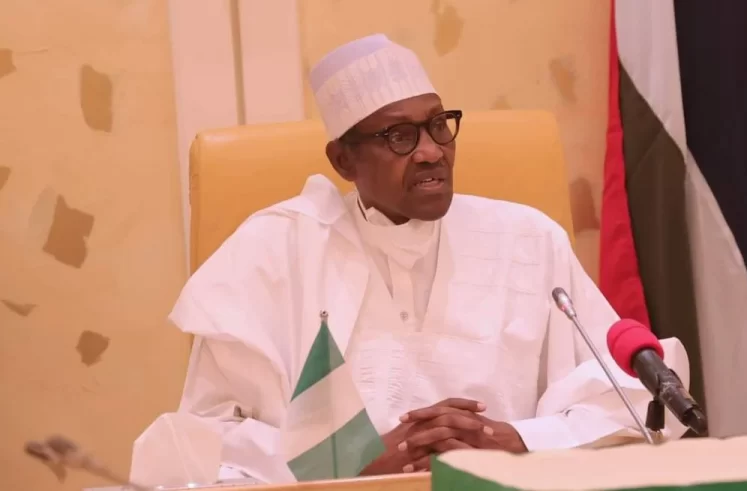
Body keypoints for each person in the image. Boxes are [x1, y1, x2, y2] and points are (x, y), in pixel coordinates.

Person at [169, 34, 690, 483]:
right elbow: (204, 437)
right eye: (400, 136)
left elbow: (625, 397)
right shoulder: (274, 253)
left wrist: (516, 440)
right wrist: (347, 462)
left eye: (439, 125)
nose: (432, 151)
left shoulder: (528, 241)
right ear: (343, 160)